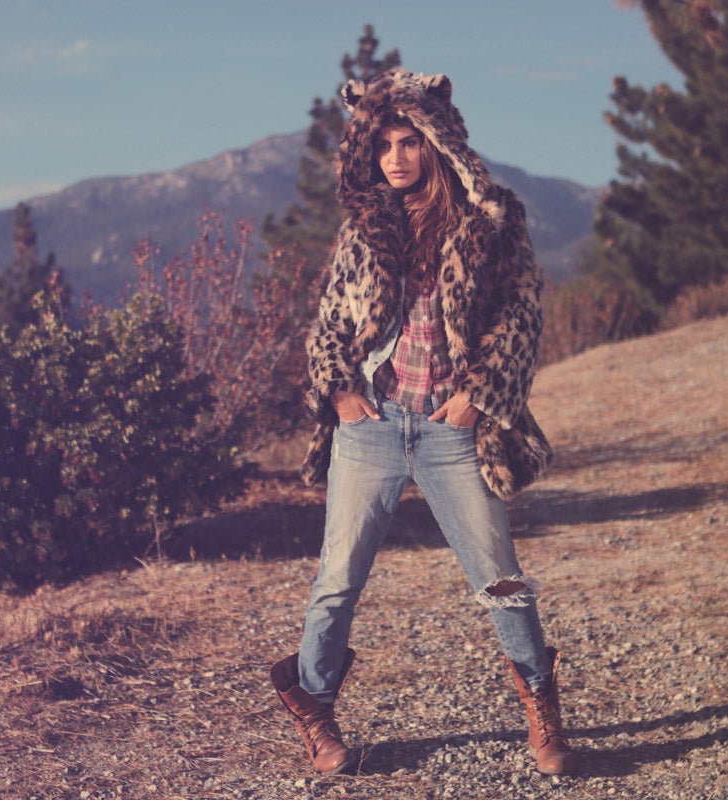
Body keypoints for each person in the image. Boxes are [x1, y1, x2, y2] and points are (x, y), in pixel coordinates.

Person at [269, 68, 576, 776]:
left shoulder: (491, 223)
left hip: (453, 430)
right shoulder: (363, 229)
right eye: (384, 146)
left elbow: (521, 317)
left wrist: (476, 397)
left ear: (437, 144)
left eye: (410, 142)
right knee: (337, 579)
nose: (397, 157)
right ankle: (314, 707)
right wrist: (342, 394)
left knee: (500, 575)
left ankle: (541, 707)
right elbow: (327, 326)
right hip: (371, 427)